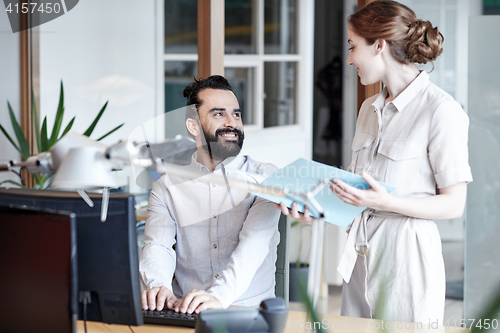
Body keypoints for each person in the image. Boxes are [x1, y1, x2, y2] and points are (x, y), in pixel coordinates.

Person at [276, 0, 472, 323]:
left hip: (407, 265)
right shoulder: (368, 108)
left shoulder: (441, 110)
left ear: (378, 45)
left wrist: (388, 201)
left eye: (353, 47)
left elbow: (454, 205)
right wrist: (316, 207)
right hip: (359, 262)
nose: (349, 58)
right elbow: (360, 193)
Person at [139, 75, 280, 315]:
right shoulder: (167, 186)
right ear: (193, 126)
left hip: (248, 311)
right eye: (218, 114)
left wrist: (218, 296)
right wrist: (159, 285)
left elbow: (253, 244)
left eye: (236, 114)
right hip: (185, 310)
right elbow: (157, 245)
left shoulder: (266, 178)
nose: (231, 122)